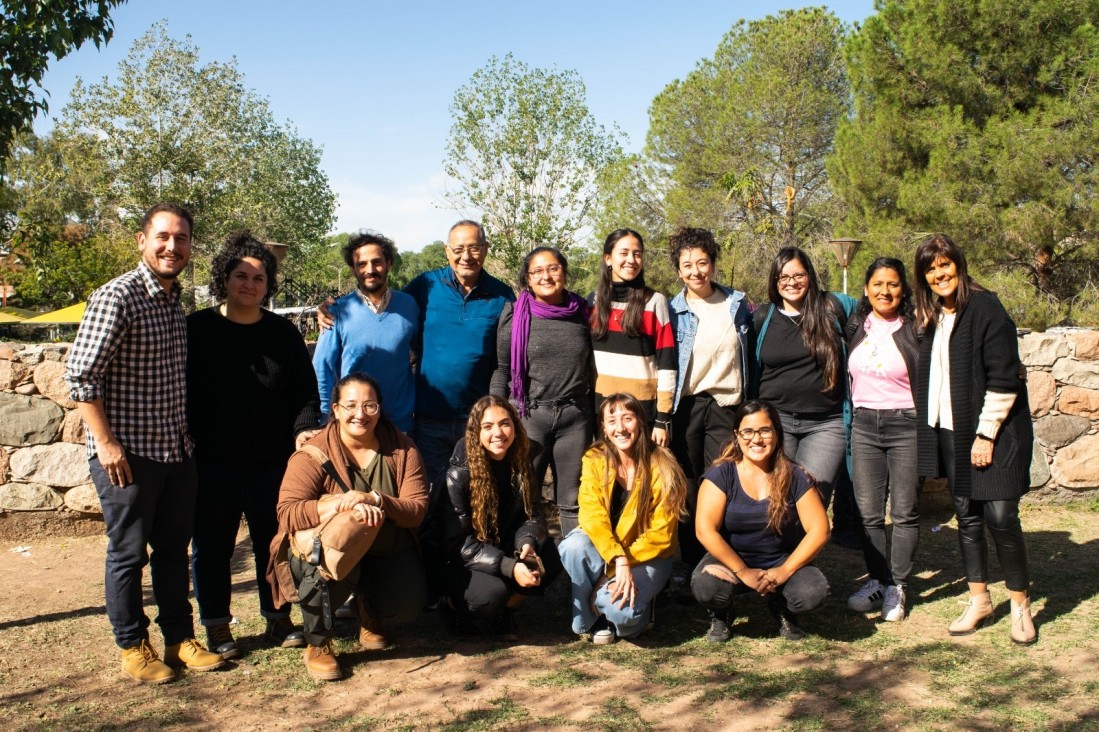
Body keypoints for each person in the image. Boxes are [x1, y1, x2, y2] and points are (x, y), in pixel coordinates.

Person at [65, 203, 225, 684]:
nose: (171, 246)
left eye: (181, 238)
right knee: (129, 554)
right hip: (127, 456)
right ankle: (133, 646)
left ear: (190, 246)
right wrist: (107, 444)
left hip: (175, 451)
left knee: (174, 551)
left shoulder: (173, 302)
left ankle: (179, 640)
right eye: (162, 237)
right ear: (142, 241)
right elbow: (80, 378)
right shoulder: (119, 296)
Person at [187, 232, 321, 659]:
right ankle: (217, 627)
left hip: (272, 463)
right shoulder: (197, 330)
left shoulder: (282, 333)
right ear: (224, 278)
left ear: (268, 285)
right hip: (212, 463)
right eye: (241, 275)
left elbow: (305, 392)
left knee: (273, 544)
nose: (249, 284)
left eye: (258, 278)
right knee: (212, 547)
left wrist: (303, 429)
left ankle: (278, 619)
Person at [913, 234, 1036, 645]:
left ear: (959, 265)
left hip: (993, 433)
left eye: (944, 265)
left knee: (1000, 517)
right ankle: (979, 599)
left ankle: (1020, 605)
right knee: (966, 516)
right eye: (930, 269)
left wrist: (986, 434)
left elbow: (1004, 377)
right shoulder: (935, 316)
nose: (939, 274)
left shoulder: (986, 308)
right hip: (949, 430)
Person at [276, 373, 429, 680]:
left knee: (408, 605)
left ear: (380, 409)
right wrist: (340, 502)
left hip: (385, 552)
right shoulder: (313, 453)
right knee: (325, 564)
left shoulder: (402, 449)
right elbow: (287, 512)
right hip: (333, 554)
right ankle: (317, 642)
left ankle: (367, 608)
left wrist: (376, 499)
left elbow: (417, 510)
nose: (360, 414)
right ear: (335, 409)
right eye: (351, 405)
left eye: (369, 405)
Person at [691, 400, 831, 642]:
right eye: (748, 431)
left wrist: (785, 570)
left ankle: (782, 606)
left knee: (812, 594)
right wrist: (743, 571)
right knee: (707, 587)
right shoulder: (721, 475)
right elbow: (705, 531)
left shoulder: (794, 475)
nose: (756, 439)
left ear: (777, 433)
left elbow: (819, 530)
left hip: (780, 559)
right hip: (732, 560)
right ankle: (722, 612)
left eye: (765, 430)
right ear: (736, 435)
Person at [559, 393, 687, 644]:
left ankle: (626, 609)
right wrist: (618, 560)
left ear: (640, 422)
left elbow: (660, 535)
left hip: (648, 556)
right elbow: (591, 515)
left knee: (621, 614)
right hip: (612, 553)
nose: (620, 428)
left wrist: (612, 572)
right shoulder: (594, 459)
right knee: (574, 546)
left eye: (627, 418)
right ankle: (591, 621)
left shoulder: (662, 465)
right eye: (612, 420)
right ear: (604, 429)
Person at [751, 247, 858, 540]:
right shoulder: (763, 317)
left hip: (826, 424)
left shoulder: (833, 307)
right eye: (784, 276)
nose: (792, 281)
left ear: (810, 276)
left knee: (812, 496)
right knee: (774, 494)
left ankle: (798, 563)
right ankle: (772, 558)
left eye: (799, 274)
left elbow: (877, 308)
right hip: (775, 423)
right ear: (774, 280)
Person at [490, 246, 594, 535]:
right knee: (526, 497)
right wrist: (497, 413)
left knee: (573, 500)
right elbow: (501, 368)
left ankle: (574, 570)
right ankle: (528, 563)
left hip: (575, 416)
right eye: (537, 271)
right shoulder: (514, 314)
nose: (546, 276)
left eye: (553, 269)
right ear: (527, 278)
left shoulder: (582, 312)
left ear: (564, 272)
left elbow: (592, 367)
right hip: (528, 416)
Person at [439, 395, 562, 637]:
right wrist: (509, 566)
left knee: (555, 553)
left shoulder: (522, 462)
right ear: (476, 432)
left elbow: (533, 514)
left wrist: (526, 543)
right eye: (488, 426)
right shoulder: (458, 474)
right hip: (462, 561)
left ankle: (505, 610)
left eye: (505, 423)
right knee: (490, 594)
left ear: (515, 426)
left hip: (503, 548)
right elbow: (456, 543)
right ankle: (454, 607)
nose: (498, 433)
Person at [667, 227, 753, 569]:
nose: (695, 271)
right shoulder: (671, 310)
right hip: (686, 408)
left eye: (702, 263)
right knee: (687, 488)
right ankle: (689, 565)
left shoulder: (737, 304)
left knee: (721, 484)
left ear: (713, 264)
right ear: (678, 270)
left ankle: (720, 562)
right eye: (687, 265)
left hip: (726, 407)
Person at [843, 258, 921, 622]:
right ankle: (877, 579)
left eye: (892, 284)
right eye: (877, 284)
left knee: (904, 511)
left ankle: (898, 585)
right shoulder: (856, 325)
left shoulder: (916, 327)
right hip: (863, 425)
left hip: (907, 424)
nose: (884, 291)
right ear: (866, 288)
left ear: (903, 289)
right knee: (869, 513)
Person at [312, 230, 418, 433]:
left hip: (401, 426)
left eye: (377, 262)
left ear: (389, 264)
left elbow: (420, 354)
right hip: (356, 423)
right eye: (361, 264)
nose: (370, 269)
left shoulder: (409, 305)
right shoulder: (337, 311)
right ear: (353, 269)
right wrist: (325, 418)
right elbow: (322, 367)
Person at [589, 229, 675, 446]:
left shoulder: (655, 302)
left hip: (642, 413)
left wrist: (662, 418)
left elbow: (667, 363)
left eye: (637, 254)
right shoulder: (594, 302)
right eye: (624, 253)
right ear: (608, 258)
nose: (631, 260)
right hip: (604, 412)